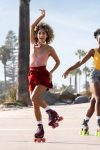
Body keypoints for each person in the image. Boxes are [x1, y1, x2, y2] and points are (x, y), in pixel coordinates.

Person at [28, 9, 62, 142]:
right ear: (37, 35)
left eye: (44, 33)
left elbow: (58, 62)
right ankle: (40, 128)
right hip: (31, 74)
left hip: (43, 74)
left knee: (34, 97)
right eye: (40, 33)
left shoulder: (49, 49)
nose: (42, 35)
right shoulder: (33, 44)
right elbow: (32, 26)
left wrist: (51, 73)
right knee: (34, 102)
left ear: (47, 36)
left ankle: (51, 112)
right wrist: (41, 17)